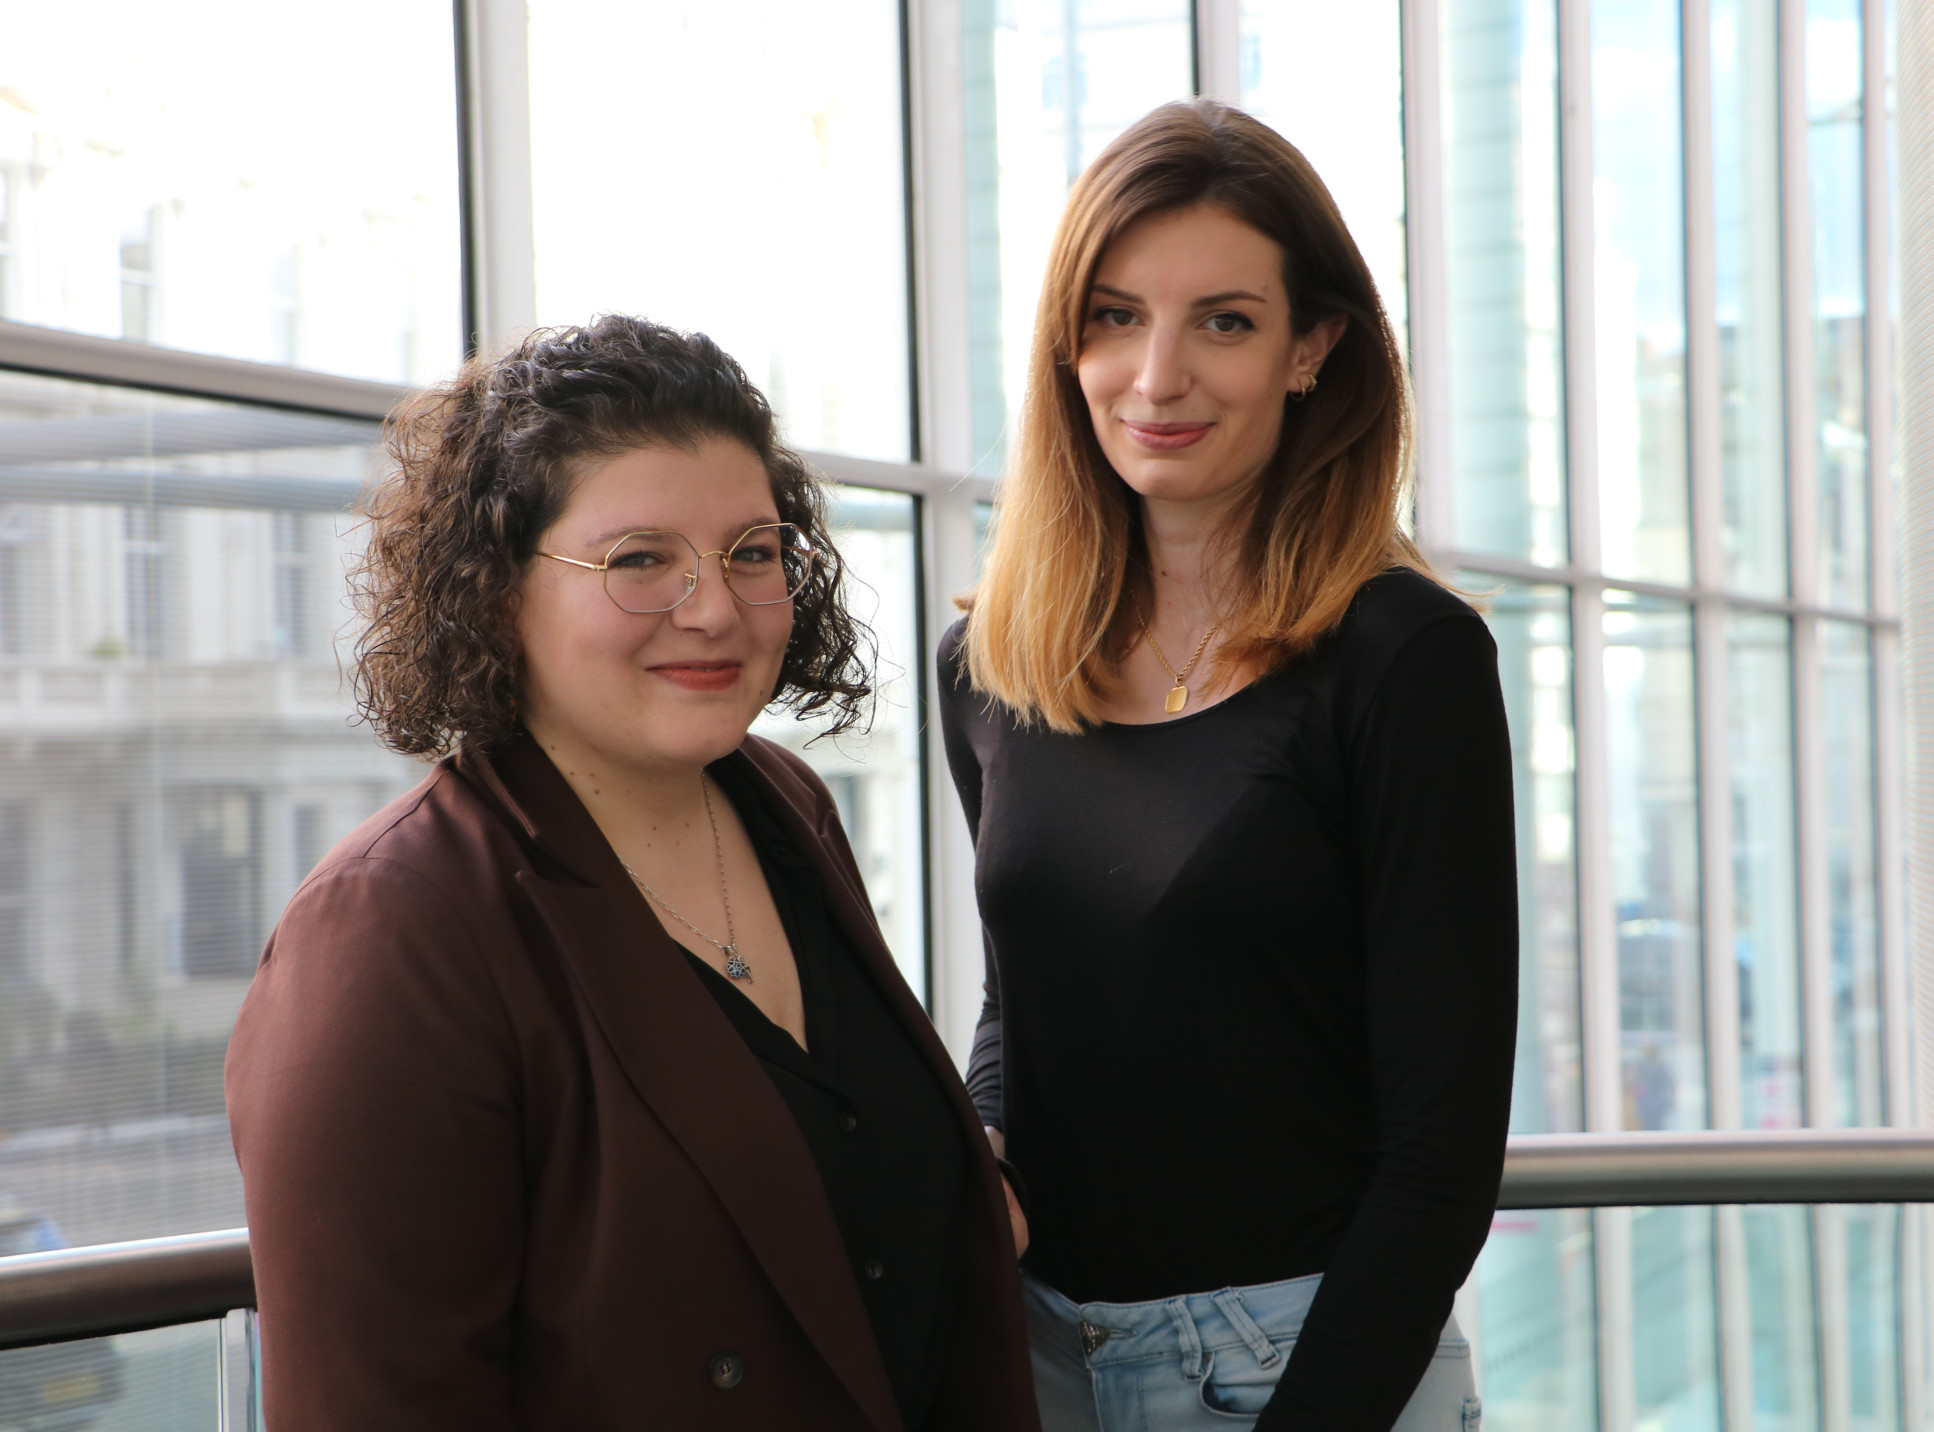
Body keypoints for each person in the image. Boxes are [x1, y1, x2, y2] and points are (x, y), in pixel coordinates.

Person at [226, 316, 1040, 1432]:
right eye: (638, 559)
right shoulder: (389, 931)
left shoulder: (784, 803)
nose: (711, 606)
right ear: (498, 589)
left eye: (752, 551)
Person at [939, 101, 1517, 1432]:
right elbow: (1026, 1003)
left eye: (1223, 321)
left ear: (1313, 347)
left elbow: (1438, 1155)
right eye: (1113, 316)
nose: (1155, 379)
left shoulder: (1402, 659)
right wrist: (976, 1146)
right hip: (1031, 1357)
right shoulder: (991, 662)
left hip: (1305, 1362)